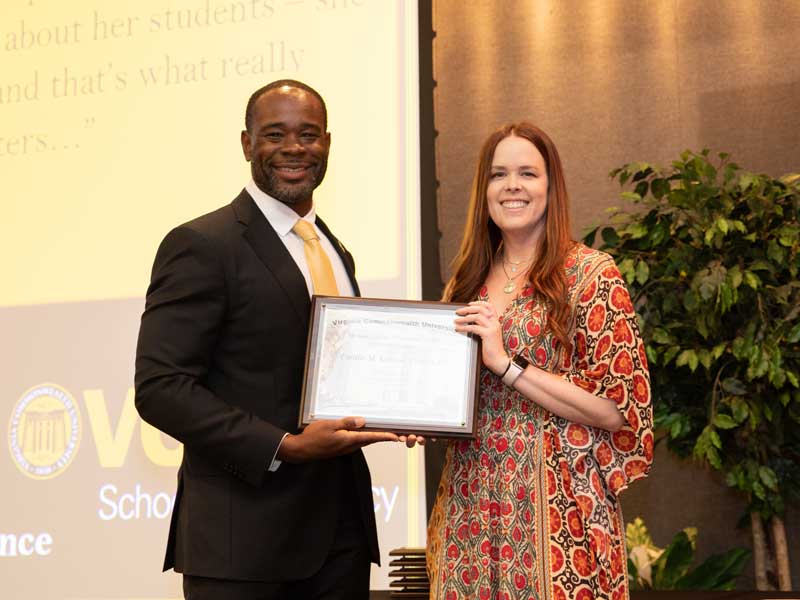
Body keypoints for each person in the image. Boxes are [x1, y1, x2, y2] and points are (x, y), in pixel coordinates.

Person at [135, 79, 416, 600]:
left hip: (340, 538)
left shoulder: (335, 251)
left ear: (327, 144)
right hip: (243, 546)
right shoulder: (201, 244)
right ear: (247, 144)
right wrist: (284, 446)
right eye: (274, 134)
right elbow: (161, 387)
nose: (293, 148)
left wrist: (406, 410)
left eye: (308, 134)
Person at [426, 122, 653, 600]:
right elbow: (449, 395)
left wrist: (507, 365)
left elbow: (616, 409)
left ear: (551, 187)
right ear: (483, 191)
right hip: (470, 508)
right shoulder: (464, 284)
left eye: (527, 173)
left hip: (561, 511)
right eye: (498, 174)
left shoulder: (592, 274)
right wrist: (418, 417)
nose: (512, 186)